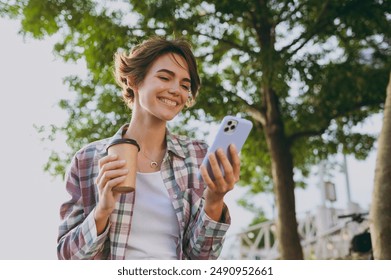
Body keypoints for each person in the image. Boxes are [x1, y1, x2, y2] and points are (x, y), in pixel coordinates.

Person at [57, 36, 241, 260]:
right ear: (134, 80)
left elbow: (201, 259)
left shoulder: (197, 155)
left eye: (185, 85)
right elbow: (67, 258)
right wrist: (102, 211)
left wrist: (214, 200)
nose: (176, 90)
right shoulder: (88, 159)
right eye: (165, 77)